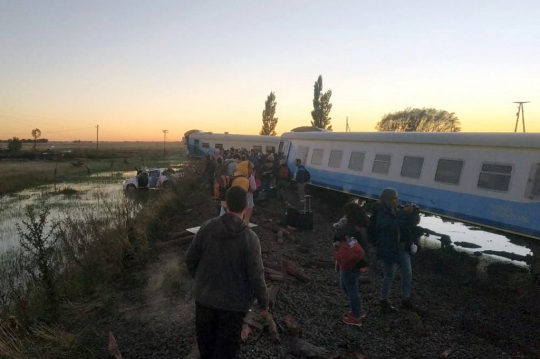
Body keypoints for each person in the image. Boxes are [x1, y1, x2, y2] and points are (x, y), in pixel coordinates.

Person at [185, 186, 269, 359]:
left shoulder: (207, 227)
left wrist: (200, 279)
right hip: (234, 306)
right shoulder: (250, 239)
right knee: (226, 351)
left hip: (205, 299)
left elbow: (190, 259)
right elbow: (256, 275)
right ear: (246, 205)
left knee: (206, 347)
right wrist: (264, 303)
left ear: (226, 204)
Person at [375, 188, 420, 313]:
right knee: (390, 275)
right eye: (395, 198)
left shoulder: (398, 210)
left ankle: (406, 298)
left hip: (402, 247)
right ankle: (383, 300)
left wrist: (414, 213)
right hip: (389, 248)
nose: (397, 201)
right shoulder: (381, 212)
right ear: (388, 199)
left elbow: (412, 223)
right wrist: (404, 213)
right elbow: (391, 225)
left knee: (408, 273)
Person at [333, 226, 366, 326]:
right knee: (344, 286)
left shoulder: (343, 246)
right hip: (351, 268)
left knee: (352, 291)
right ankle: (357, 308)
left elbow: (340, 257)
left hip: (350, 269)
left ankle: (356, 317)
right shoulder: (351, 241)